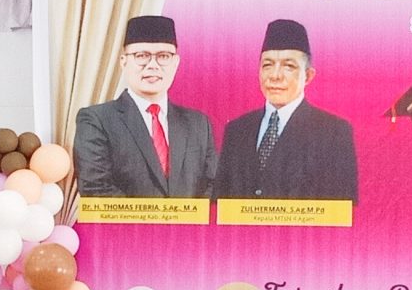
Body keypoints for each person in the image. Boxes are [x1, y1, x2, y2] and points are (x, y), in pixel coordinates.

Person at [73, 15, 217, 198]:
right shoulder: (97, 120)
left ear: (176, 63)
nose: (152, 66)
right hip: (121, 219)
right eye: (141, 56)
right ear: (124, 62)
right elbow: (96, 188)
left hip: (190, 219)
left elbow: (213, 184)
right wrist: (163, 216)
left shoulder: (198, 124)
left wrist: (185, 216)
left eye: (163, 56)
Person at [217, 19, 359, 201]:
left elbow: (341, 207)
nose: (275, 76)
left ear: (308, 76)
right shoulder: (237, 130)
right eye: (267, 65)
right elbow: (221, 200)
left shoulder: (333, 132)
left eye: (289, 66)